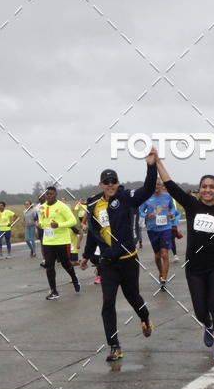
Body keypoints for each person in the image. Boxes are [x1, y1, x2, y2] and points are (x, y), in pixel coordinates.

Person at [156, 158, 214, 361]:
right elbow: (170, 184)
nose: (208, 190)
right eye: (204, 186)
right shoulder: (191, 205)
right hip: (195, 268)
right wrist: (157, 161)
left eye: (212, 187)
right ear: (199, 190)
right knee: (200, 311)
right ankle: (207, 325)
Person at [80, 150, 158, 361]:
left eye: (113, 181)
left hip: (128, 261)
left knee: (133, 297)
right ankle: (114, 345)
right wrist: (86, 256)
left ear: (118, 182)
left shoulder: (127, 198)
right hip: (107, 264)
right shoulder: (94, 204)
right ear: (100, 184)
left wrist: (151, 166)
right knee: (108, 303)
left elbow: (149, 188)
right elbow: (93, 234)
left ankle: (145, 317)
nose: (110, 185)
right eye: (106, 182)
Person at [38, 186, 80, 298]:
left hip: (62, 241)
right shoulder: (42, 207)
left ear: (56, 194)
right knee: (49, 266)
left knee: (65, 264)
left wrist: (59, 225)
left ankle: (75, 279)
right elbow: (42, 221)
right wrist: (41, 224)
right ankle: (54, 291)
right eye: (47, 194)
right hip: (48, 241)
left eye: (51, 194)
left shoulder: (62, 206)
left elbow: (73, 221)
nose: (49, 196)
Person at [139, 178, 177, 290]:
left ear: (162, 186)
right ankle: (161, 273)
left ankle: (164, 279)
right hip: (152, 229)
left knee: (165, 253)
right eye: (154, 185)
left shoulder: (167, 196)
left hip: (166, 228)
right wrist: (146, 216)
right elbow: (140, 211)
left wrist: (171, 213)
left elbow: (173, 208)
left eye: (158, 185)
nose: (156, 187)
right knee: (157, 255)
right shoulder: (147, 197)